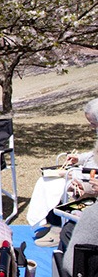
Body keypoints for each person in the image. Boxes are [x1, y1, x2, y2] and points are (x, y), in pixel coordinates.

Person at [36, 98, 98, 248]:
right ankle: (52, 223)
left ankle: (58, 227)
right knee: (46, 181)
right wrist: (79, 158)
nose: (91, 127)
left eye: (92, 123)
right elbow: (93, 154)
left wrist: (84, 183)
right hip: (89, 176)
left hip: (89, 174)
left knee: (57, 183)